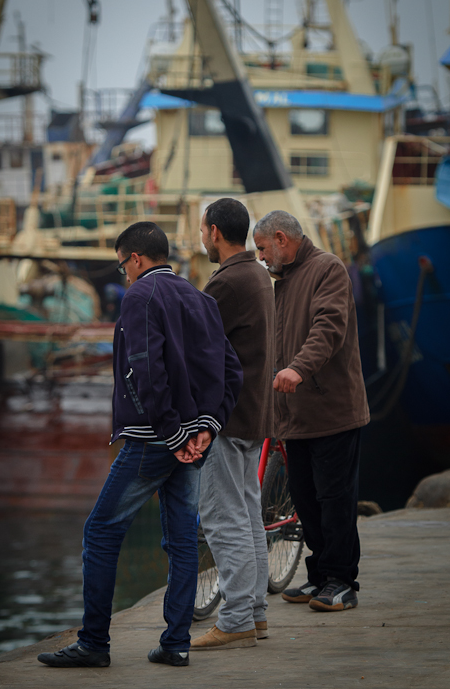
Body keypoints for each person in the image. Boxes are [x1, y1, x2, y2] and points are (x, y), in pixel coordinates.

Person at [37, 222, 243, 669]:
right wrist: (206, 428)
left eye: (121, 265)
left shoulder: (139, 298)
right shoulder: (201, 298)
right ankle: (175, 643)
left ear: (135, 259)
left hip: (155, 440)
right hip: (190, 440)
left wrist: (172, 435)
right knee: (183, 541)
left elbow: (142, 372)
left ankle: (93, 643)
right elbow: (231, 370)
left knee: (100, 532)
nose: (123, 275)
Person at [253, 210, 370, 612]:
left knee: (335, 498)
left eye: (264, 248)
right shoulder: (282, 282)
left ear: (282, 239)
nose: (262, 258)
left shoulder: (327, 269)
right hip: (296, 415)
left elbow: (329, 327)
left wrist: (298, 368)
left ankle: (341, 581)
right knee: (305, 499)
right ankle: (319, 574)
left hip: (332, 410)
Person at [190, 198, 274, 651]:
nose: (202, 237)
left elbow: (198, 348)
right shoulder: (257, 274)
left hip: (226, 417)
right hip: (252, 414)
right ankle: (254, 614)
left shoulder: (228, 282)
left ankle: (238, 617)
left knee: (224, 520)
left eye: (204, 230)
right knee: (247, 517)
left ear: (216, 231)